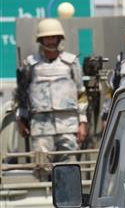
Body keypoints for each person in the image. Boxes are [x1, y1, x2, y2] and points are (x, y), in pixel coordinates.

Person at [14, 18, 88, 165]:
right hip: (41, 127)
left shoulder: (71, 62)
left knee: (69, 168)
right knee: (41, 167)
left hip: (68, 125)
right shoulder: (30, 64)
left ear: (59, 38)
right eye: (47, 38)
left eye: (54, 37)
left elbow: (81, 94)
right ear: (40, 40)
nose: (51, 41)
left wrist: (82, 123)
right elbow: (21, 95)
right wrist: (20, 121)